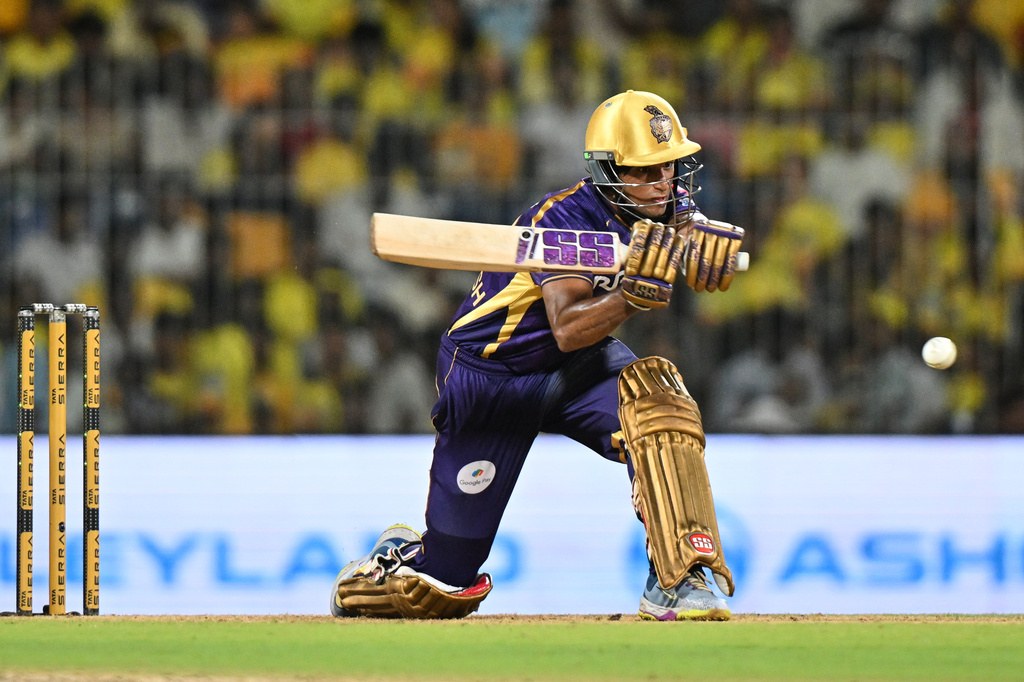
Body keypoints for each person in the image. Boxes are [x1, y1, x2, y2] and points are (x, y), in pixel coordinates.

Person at [330, 90, 744, 621]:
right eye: (645, 172)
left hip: (576, 372)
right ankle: (388, 565)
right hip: (491, 377)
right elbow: (568, 327)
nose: (663, 183)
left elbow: (684, 221)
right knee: (442, 589)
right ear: (607, 171)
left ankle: (680, 578)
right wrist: (629, 297)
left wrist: (705, 239)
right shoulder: (561, 220)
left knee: (661, 403)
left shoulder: (663, 201)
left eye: (671, 167)